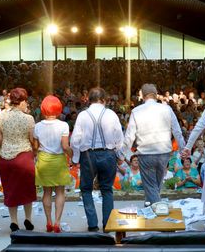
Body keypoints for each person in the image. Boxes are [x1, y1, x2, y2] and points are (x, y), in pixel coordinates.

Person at [70, 87, 124, 232]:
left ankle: (92, 224)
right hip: (108, 154)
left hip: (88, 155)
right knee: (107, 190)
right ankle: (107, 224)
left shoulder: (83, 115)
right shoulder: (111, 114)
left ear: (89, 99)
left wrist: (75, 158)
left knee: (86, 189)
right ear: (103, 100)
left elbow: (75, 140)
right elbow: (119, 136)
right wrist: (120, 156)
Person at [123, 83, 185, 204]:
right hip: (164, 153)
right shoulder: (167, 109)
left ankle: (158, 211)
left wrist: (122, 154)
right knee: (155, 186)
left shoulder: (136, 111)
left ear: (143, 96)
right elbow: (177, 131)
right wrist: (183, 149)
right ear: (156, 95)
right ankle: (151, 210)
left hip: (146, 154)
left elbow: (129, 136)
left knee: (151, 187)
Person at [0, 87, 36, 233]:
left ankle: (14, 221)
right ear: (22, 101)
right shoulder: (29, 119)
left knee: (10, 190)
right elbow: (32, 140)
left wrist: (7, 145)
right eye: (26, 101)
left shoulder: (2, 117)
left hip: (6, 158)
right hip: (24, 156)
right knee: (27, 189)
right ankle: (28, 219)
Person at [33, 95, 72, 233]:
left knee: (46, 192)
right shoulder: (63, 125)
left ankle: (48, 221)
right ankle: (57, 222)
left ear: (43, 109)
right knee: (60, 192)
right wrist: (72, 155)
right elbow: (65, 146)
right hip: (58, 161)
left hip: (43, 160)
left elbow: (35, 146)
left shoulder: (37, 126)